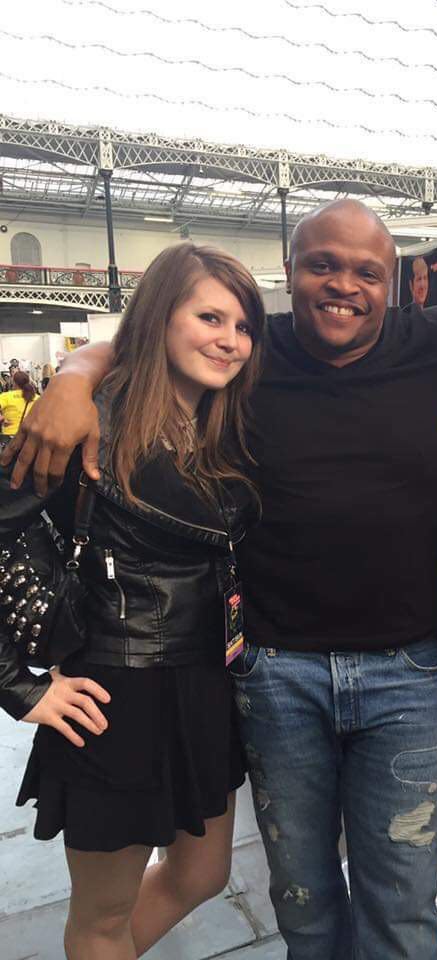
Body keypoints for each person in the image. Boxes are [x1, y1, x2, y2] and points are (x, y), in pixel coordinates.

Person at [1, 200, 437, 960]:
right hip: (274, 679)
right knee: (303, 903)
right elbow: (151, 337)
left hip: (405, 679)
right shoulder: (253, 350)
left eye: (367, 271)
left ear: (393, 282)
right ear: (290, 272)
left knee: (400, 909)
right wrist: (74, 376)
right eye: (323, 265)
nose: (343, 284)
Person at [0, 242, 266, 960]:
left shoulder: (221, 425)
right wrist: (21, 688)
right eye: (209, 317)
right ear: (158, 319)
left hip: (206, 685)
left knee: (203, 873)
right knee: (102, 918)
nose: (230, 340)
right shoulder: (88, 423)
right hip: (114, 697)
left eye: (244, 326)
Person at [0, 369, 39, 436]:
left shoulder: (6, 396)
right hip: (31, 435)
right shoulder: (36, 397)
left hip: (10, 435)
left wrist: (2, 419)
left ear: (14, 382)